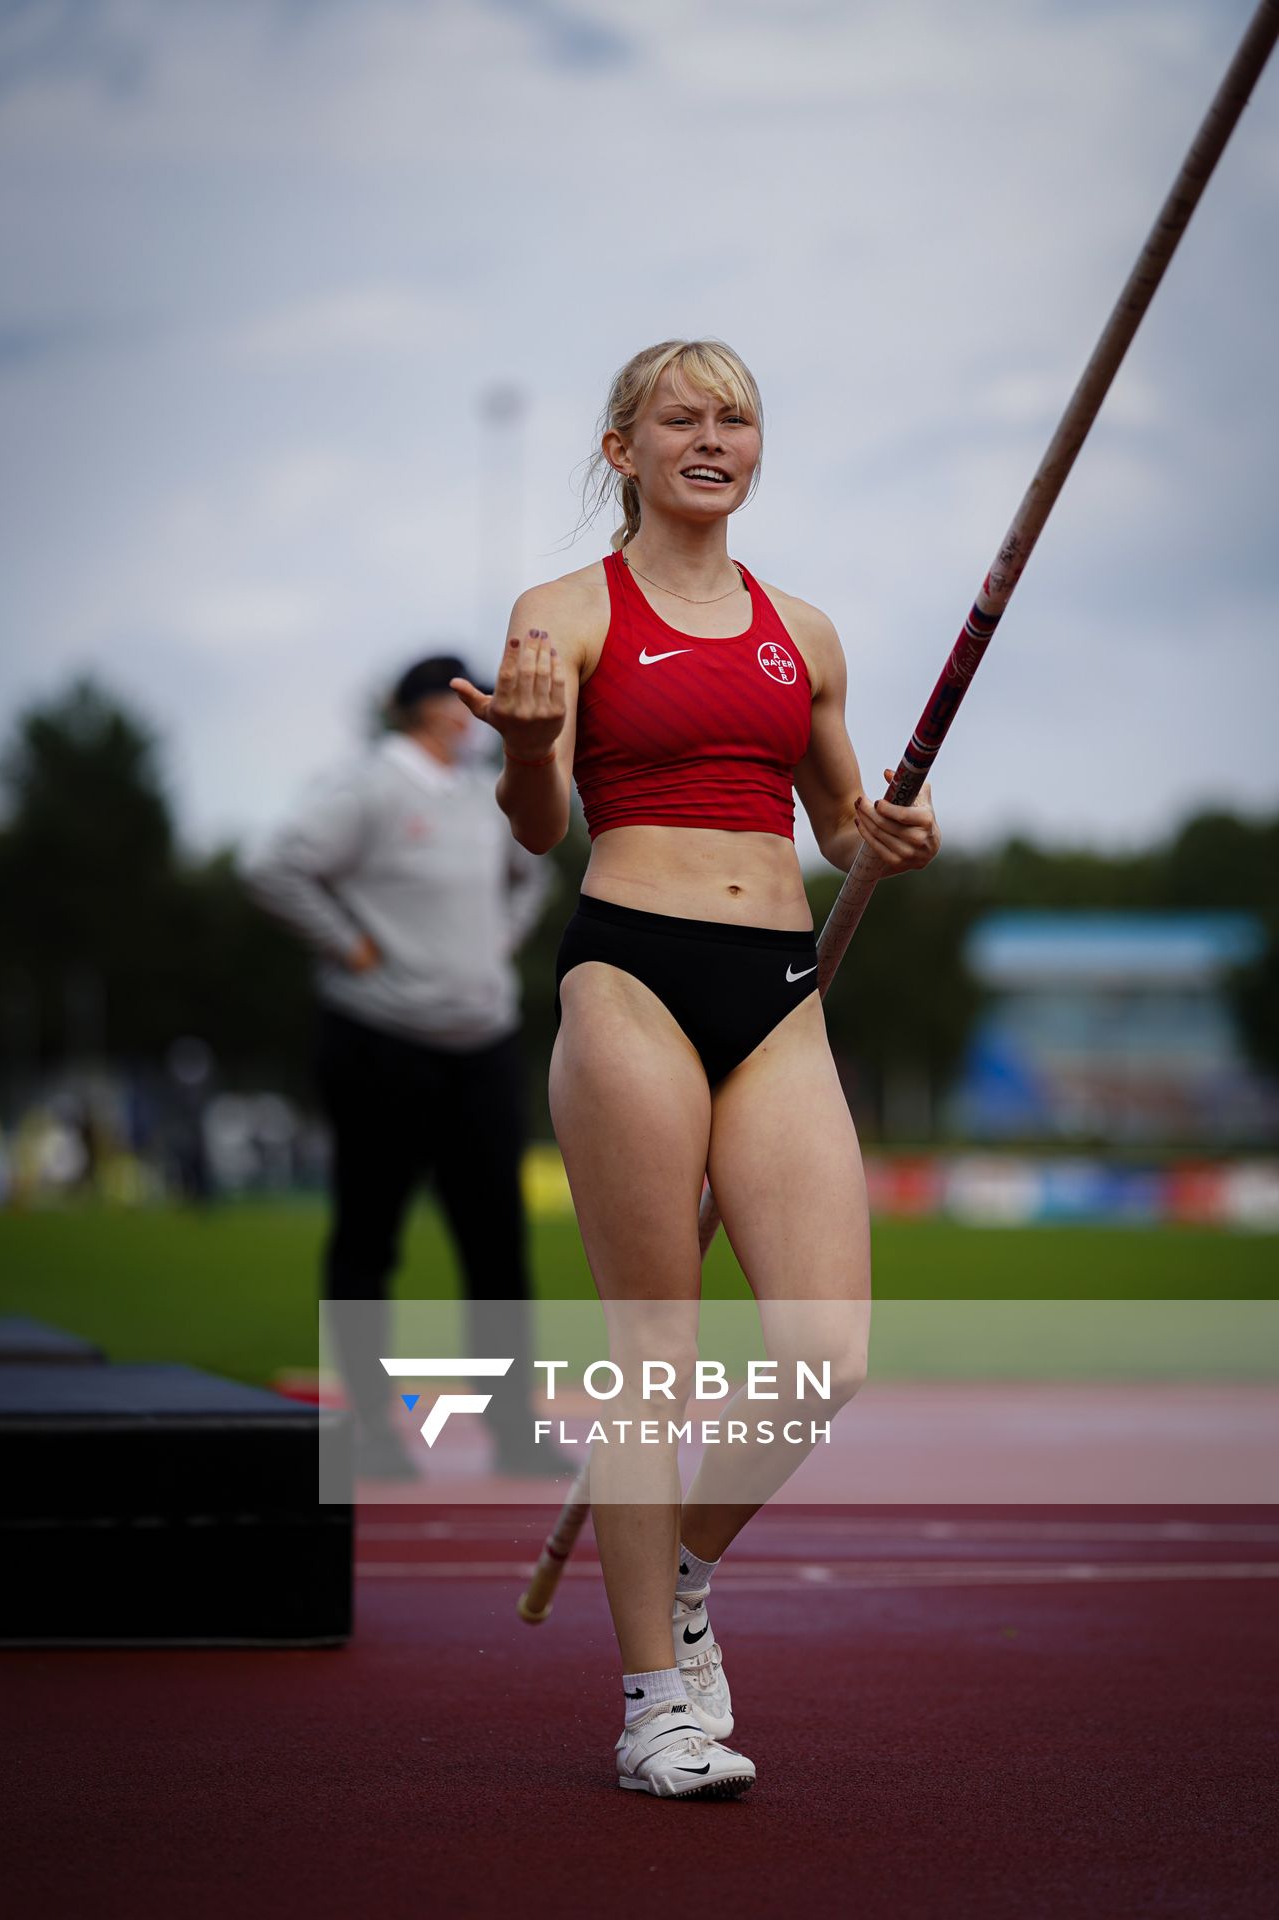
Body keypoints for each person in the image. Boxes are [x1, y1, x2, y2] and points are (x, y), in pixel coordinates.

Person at [451, 339, 942, 1799]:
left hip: (780, 992)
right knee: (653, 1359)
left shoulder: (806, 631)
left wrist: (886, 838)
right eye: (683, 417)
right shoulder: (565, 612)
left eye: (736, 418)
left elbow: (841, 824)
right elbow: (539, 828)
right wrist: (534, 750)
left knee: (827, 1357)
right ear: (624, 450)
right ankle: (655, 1709)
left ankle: (680, 1570)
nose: (713, 438)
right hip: (631, 979)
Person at [245, 654, 568, 1480]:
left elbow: (534, 875)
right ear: (421, 713)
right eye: (455, 705)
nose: (471, 719)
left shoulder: (482, 794)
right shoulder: (367, 787)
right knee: (368, 1241)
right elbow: (273, 867)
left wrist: (494, 943)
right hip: (380, 1041)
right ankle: (373, 1433)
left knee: (498, 1249)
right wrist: (350, 946)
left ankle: (513, 1431)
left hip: (483, 1045)